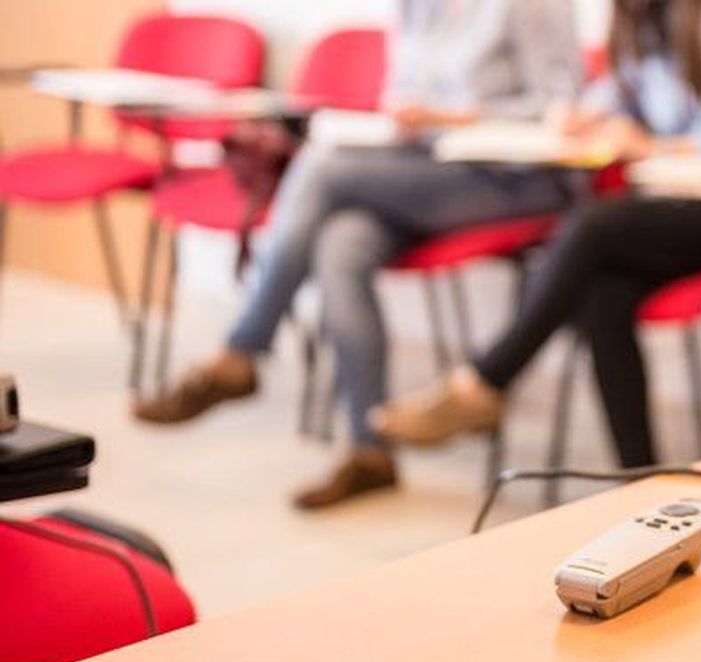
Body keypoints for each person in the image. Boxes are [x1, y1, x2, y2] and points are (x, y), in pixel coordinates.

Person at [130, 0, 583, 509]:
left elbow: (559, 108)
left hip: (511, 177)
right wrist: (405, 110)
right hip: (424, 167)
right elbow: (404, 82)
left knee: (324, 169)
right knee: (341, 243)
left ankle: (241, 349)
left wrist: (454, 115)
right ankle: (371, 456)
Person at [370, 0, 701, 469]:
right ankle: (639, 478)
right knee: (602, 294)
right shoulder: (641, 23)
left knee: (595, 224)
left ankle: (488, 380)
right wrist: (586, 113)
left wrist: (665, 145)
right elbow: (619, 91)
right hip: (676, 207)